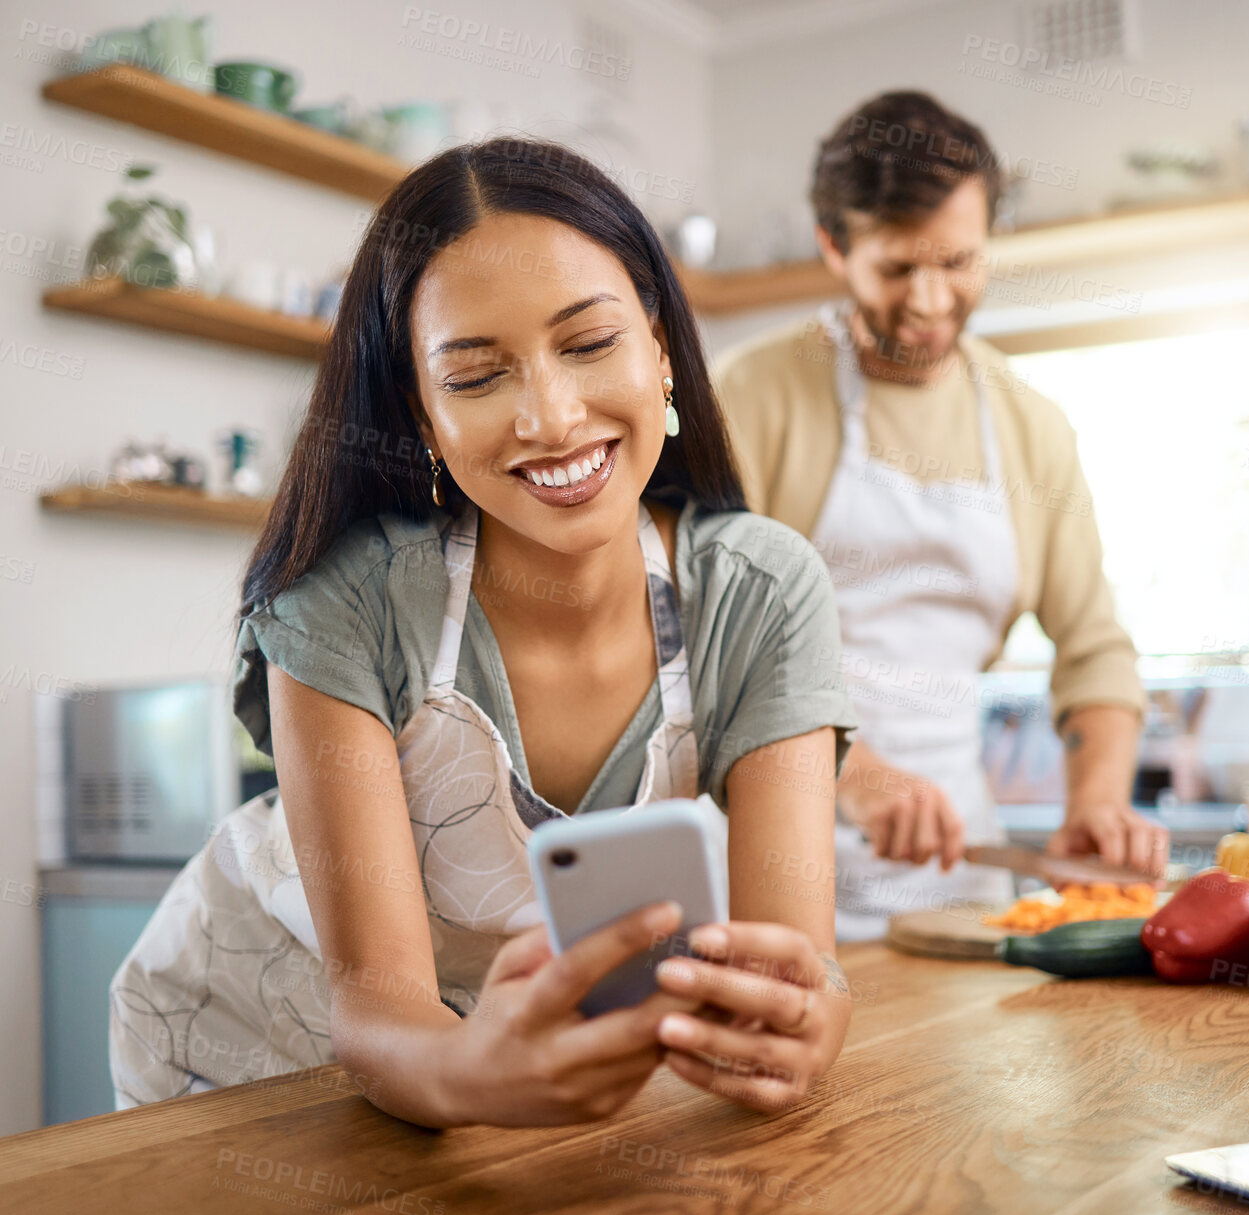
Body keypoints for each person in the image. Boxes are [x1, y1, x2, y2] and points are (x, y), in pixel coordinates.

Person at [109, 137, 859, 1125]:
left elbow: (799, 958)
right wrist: (470, 1072)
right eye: (474, 376)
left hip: (509, 1087)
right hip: (252, 1051)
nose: (550, 417)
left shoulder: (757, 592)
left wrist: (806, 1018)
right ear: (419, 413)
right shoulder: (349, 599)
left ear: (662, 346)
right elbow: (374, 1000)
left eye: (589, 345)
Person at [714, 91, 1165, 941]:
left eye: (958, 263)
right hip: (767, 870)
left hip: (965, 875)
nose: (929, 300)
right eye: (896, 269)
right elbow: (702, 640)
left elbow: (1094, 646)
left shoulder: (1032, 426)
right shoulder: (751, 395)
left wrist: (1097, 805)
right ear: (833, 248)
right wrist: (849, 773)